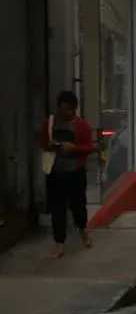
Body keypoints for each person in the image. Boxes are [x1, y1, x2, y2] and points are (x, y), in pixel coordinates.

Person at [39, 91, 96, 258]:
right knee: (57, 208)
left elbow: (90, 147)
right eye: (62, 110)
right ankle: (59, 244)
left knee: (78, 206)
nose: (64, 113)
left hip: (75, 173)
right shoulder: (49, 123)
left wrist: (74, 148)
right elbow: (42, 143)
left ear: (74, 109)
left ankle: (83, 231)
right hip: (55, 172)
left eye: (68, 110)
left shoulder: (82, 126)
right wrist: (51, 145)